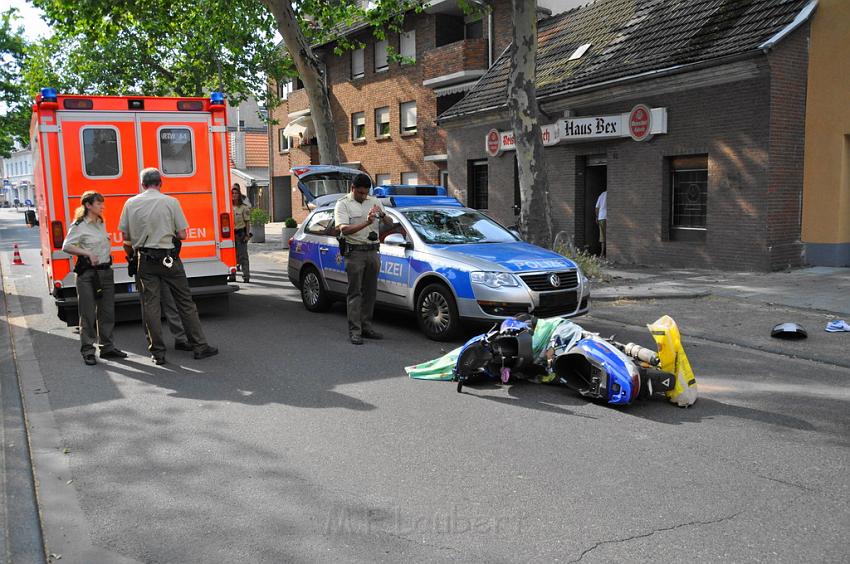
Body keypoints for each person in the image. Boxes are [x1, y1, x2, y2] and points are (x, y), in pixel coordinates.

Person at [118, 168, 218, 365]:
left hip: (144, 260)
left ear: (142, 184)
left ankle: (158, 353)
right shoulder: (171, 202)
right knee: (185, 303)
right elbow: (182, 234)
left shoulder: (130, 203)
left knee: (150, 306)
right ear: (160, 183)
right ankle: (199, 346)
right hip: (169, 259)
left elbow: (126, 238)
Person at [62, 191, 127, 365]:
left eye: (102, 203)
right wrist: (87, 252)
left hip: (105, 272)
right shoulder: (79, 225)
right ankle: (88, 351)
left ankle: (107, 347)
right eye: (99, 204)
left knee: (107, 312)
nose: (102, 206)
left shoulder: (100, 223)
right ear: (88, 205)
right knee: (88, 313)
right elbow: (66, 246)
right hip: (88, 275)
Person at [334, 173, 392, 345]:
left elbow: (389, 222)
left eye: (366, 193)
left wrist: (381, 215)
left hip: (373, 250)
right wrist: (367, 222)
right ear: (352, 189)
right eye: (360, 193)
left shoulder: (375, 201)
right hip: (355, 253)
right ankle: (355, 331)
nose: (363, 196)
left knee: (370, 292)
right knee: (355, 293)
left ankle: (366, 327)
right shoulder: (343, 204)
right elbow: (343, 229)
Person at [231, 185, 251, 283]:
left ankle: (246, 275)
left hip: (240, 234)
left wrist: (247, 235)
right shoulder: (227, 206)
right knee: (231, 256)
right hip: (230, 235)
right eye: (232, 193)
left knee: (243, 256)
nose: (234, 195)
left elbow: (247, 222)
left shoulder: (244, 208)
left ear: (239, 195)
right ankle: (232, 275)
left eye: (236, 193)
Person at [595, 189, 607, 258]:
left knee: (602, 236)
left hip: (601, 217)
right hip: (607, 217)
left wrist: (597, 217)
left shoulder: (602, 194)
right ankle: (605, 254)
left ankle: (602, 254)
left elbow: (597, 207)